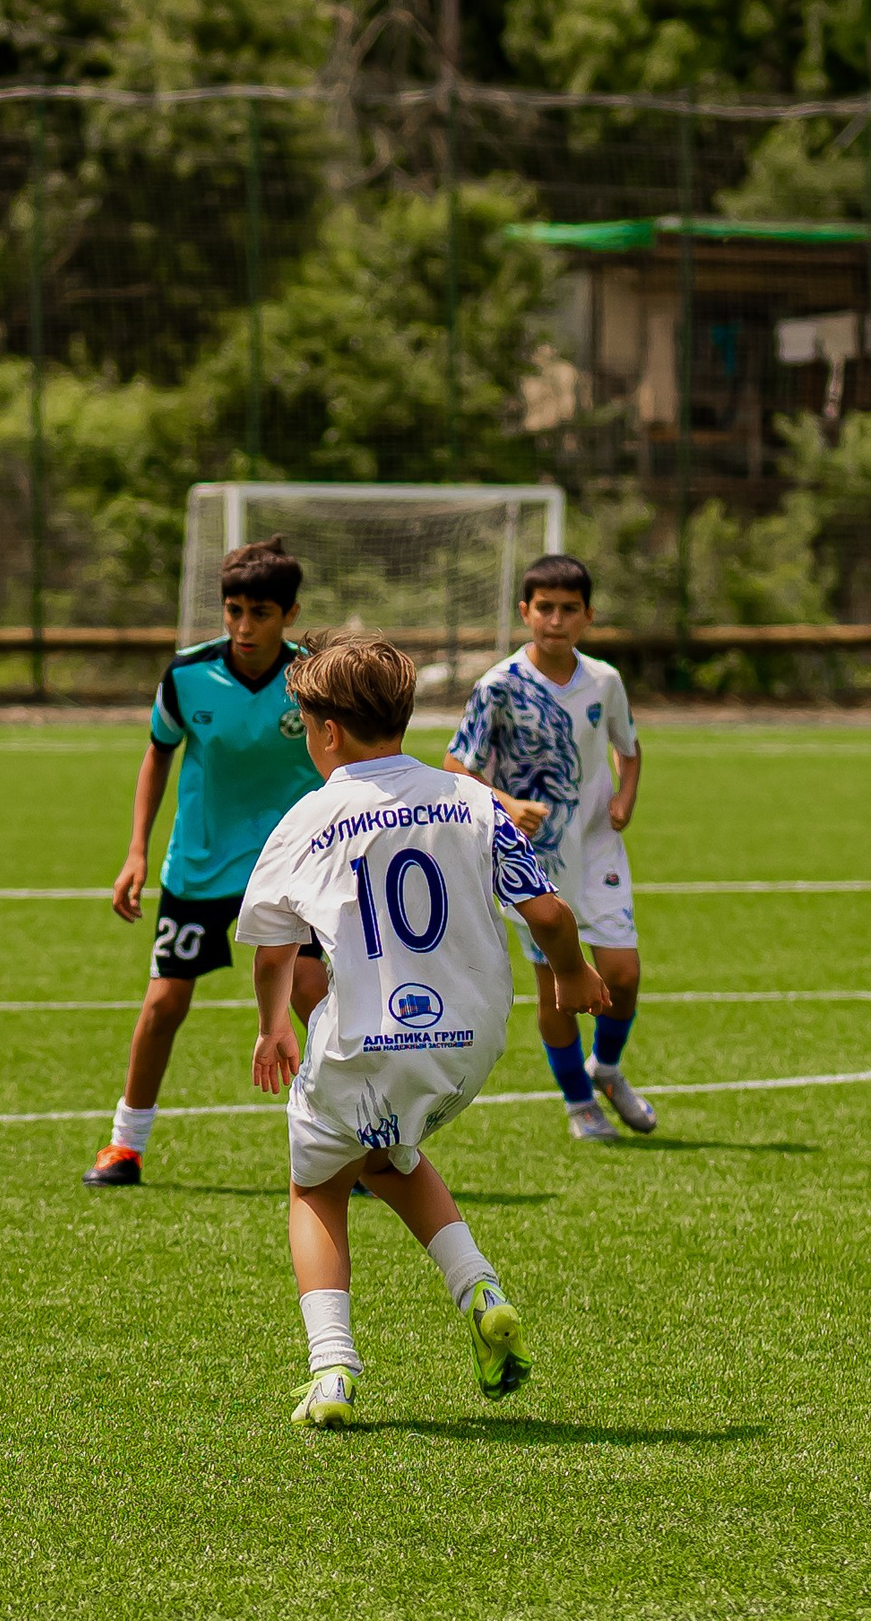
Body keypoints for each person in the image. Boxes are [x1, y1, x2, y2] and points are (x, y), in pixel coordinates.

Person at [243, 632, 610, 1427]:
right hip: (469, 1040)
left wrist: (274, 1026)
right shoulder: (471, 798)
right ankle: (481, 1292)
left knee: (317, 1183)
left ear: (327, 731)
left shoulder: (308, 818)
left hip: (366, 1036)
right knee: (385, 1149)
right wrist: (572, 973)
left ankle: (332, 1369)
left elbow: (275, 952)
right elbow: (546, 910)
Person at [85, 536, 328, 1187]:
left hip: (289, 867)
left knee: (313, 994)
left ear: (290, 613)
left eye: (261, 613)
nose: (244, 627)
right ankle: (124, 1144)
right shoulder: (187, 674)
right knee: (165, 1001)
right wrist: (137, 851)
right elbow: (159, 752)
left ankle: (352, 1142)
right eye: (233, 610)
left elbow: (344, 758)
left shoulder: (313, 677)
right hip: (199, 863)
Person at [444, 554, 654, 1142]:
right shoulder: (499, 686)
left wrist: (625, 797)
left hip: (599, 849)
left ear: (587, 616)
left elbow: (629, 748)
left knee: (623, 973)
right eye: (545, 609)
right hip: (532, 861)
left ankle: (606, 1068)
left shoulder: (604, 681)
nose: (555, 620)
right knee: (556, 987)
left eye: (568, 609)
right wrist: (507, 805)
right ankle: (579, 1103)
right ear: (525, 613)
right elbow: (457, 766)